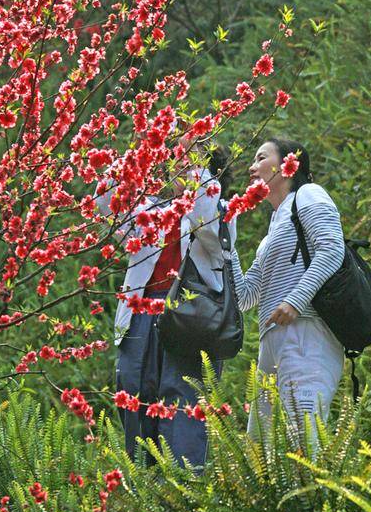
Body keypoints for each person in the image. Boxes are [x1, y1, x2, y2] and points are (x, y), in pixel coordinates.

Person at [94, 142, 234, 468]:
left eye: (191, 160)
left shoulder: (221, 210)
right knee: (133, 391)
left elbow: (205, 220)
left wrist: (197, 170)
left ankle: (182, 492)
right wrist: (125, 163)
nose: (180, 164)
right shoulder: (152, 209)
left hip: (191, 316)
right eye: (177, 159)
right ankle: (143, 488)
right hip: (142, 313)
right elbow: (106, 204)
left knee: (182, 398)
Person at [231, 137, 345, 449]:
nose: (252, 167)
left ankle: (313, 499)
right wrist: (226, 238)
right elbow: (246, 296)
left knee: (302, 438)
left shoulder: (308, 194)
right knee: (260, 450)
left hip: (307, 333)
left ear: (287, 165)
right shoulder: (273, 227)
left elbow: (333, 248)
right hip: (272, 342)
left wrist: (295, 299)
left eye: (260, 157)